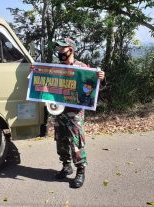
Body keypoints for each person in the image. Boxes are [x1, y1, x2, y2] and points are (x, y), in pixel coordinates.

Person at [54, 37, 105, 188]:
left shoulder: (82, 67)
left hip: (74, 112)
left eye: (63, 48)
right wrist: (35, 72)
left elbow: (92, 87)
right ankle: (66, 166)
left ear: (71, 49)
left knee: (76, 142)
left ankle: (81, 171)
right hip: (59, 111)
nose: (60, 51)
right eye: (59, 48)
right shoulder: (54, 68)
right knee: (60, 140)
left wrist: (101, 78)